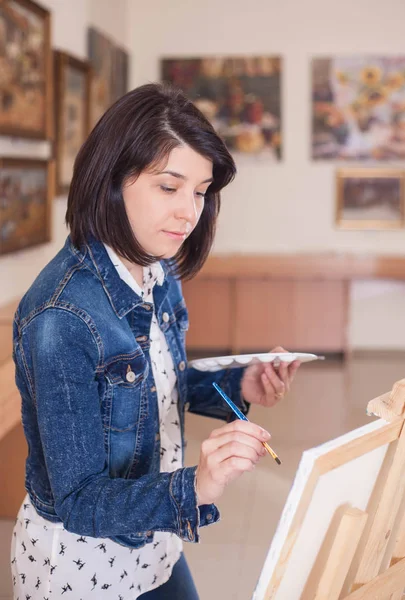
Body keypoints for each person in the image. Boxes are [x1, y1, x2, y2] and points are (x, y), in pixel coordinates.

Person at [10, 83, 300, 599]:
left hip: (155, 540)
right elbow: (79, 501)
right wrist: (198, 486)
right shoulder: (61, 317)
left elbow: (156, 387)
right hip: (83, 566)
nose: (190, 213)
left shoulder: (156, 269)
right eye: (170, 187)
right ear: (112, 180)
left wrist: (242, 384)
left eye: (201, 191)